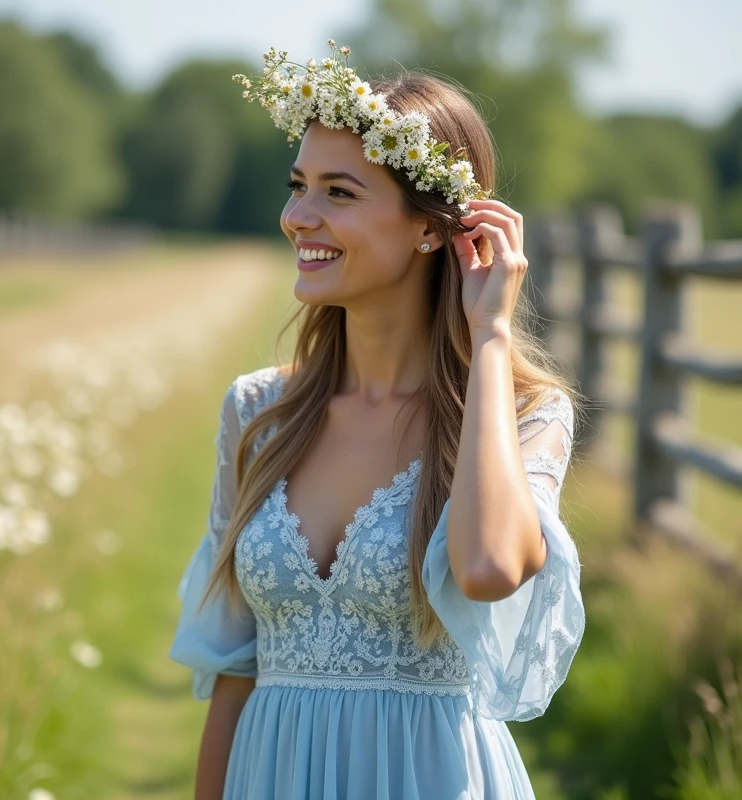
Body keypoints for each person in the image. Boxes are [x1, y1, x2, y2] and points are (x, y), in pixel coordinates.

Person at [169, 41, 585, 800]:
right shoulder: (259, 412)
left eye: (339, 193)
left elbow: (489, 568)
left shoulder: (526, 414)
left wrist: (490, 336)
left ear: (431, 228)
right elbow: (233, 669)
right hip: (272, 778)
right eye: (298, 186)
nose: (299, 217)